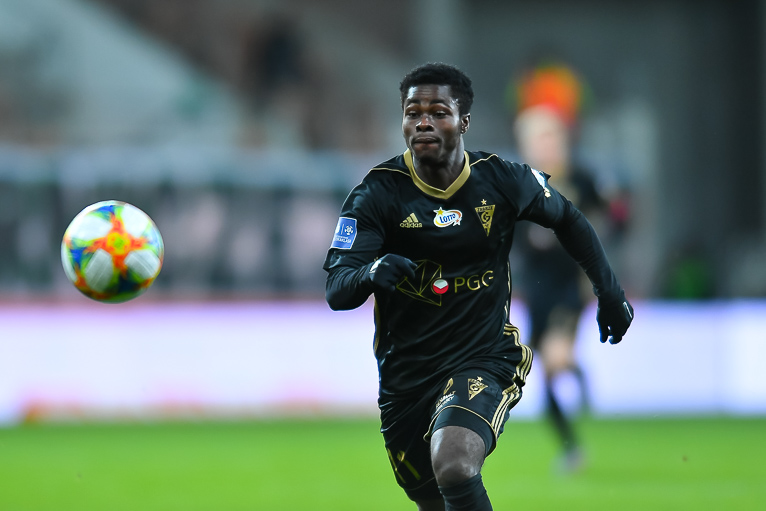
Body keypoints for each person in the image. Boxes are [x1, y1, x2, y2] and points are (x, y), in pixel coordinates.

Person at [323, 63, 633, 511]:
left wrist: (609, 293)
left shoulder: (501, 179)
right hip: (406, 377)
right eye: (413, 113)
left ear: (463, 121)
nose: (424, 122)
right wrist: (370, 273)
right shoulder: (376, 194)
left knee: (454, 463)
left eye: (438, 112)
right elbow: (338, 288)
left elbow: (569, 219)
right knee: (434, 498)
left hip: (482, 357)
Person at [510, 62, 609, 472]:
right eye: (537, 139)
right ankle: (571, 448)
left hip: (571, 283)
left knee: (554, 357)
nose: (546, 146)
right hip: (536, 287)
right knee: (544, 375)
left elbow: (609, 216)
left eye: (551, 137)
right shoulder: (517, 183)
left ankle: (570, 366)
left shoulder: (581, 179)